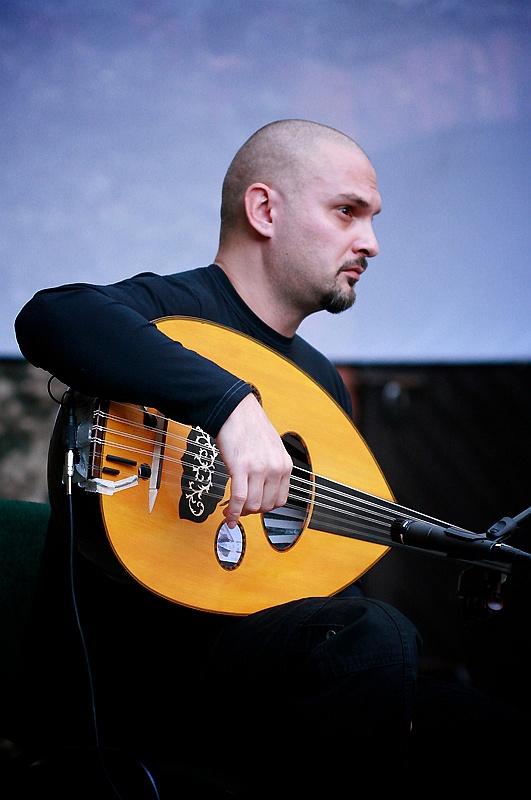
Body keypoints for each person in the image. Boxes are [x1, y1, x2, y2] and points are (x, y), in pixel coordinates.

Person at [14, 120, 530, 798]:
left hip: (262, 676)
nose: (370, 243)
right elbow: (52, 317)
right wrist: (228, 405)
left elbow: (315, 589)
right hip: (139, 683)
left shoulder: (317, 382)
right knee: (370, 635)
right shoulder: (172, 310)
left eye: (372, 220)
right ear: (264, 210)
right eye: (347, 211)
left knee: (494, 731)